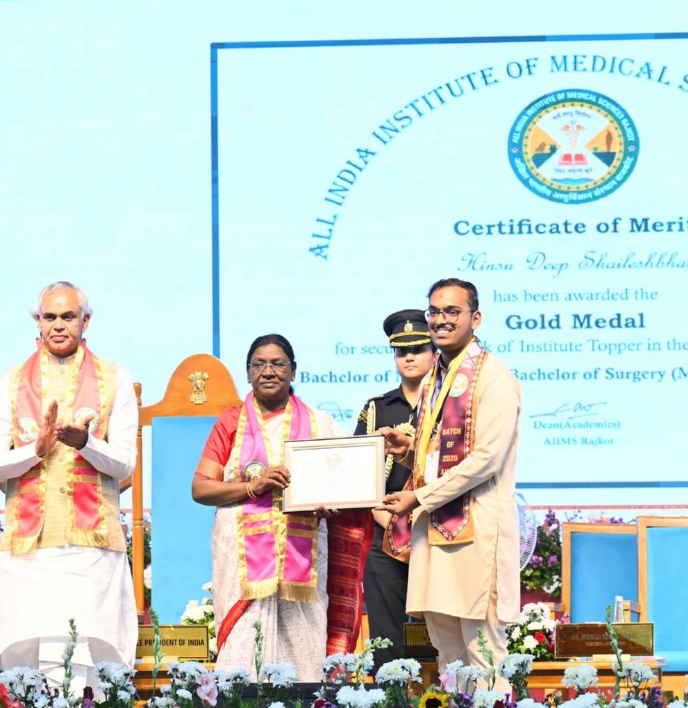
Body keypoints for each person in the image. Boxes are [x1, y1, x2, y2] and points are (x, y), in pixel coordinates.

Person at [0, 282, 137, 686]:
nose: (59, 325)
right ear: (38, 320)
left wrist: (86, 443)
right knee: (29, 662)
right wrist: (36, 450)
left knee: (86, 656)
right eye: (50, 317)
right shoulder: (12, 381)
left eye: (68, 316)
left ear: (86, 321)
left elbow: (125, 463)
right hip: (29, 547)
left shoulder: (114, 378)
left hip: (91, 546)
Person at [191, 334, 369, 677]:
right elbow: (200, 488)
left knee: (303, 645)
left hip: (303, 554)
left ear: (293, 370)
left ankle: (304, 706)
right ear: (248, 373)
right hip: (242, 559)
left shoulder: (320, 423)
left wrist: (332, 503)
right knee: (244, 645)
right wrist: (252, 487)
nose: (268, 371)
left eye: (277, 363)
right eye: (259, 364)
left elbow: (346, 480)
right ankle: (239, 705)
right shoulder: (230, 422)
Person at [381, 278, 522, 685]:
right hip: (435, 532)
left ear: (475, 318)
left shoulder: (493, 377)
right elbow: (439, 453)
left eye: (452, 312)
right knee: (448, 653)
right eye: (435, 312)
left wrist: (418, 497)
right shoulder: (434, 379)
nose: (441, 320)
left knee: (482, 648)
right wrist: (407, 450)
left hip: (477, 533)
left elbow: (486, 460)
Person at [352, 309, 434, 675]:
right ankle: (391, 704)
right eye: (402, 351)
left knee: (444, 632)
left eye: (418, 348)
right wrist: (388, 523)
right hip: (385, 533)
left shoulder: (450, 407)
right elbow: (359, 476)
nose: (409, 357)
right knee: (387, 640)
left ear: (435, 352)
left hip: (437, 531)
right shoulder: (376, 409)